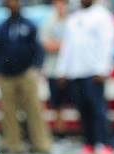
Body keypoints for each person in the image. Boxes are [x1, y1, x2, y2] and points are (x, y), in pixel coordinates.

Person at [56, 0, 114, 154]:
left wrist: (103, 68)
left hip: (94, 71)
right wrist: (62, 70)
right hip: (76, 71)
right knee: (82, 109)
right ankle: (89, 143)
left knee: (98, 109)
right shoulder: (74, 17)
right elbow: (67, 46)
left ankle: (105, 143)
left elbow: (108, 42)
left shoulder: (102, 16)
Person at [0, 0, 52, 154]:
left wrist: (36, 68)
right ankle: (13, 144)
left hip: (26, 73)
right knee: (8, 111)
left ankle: (41, 144)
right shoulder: (1, 28)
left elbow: (38, 49)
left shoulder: (29, 26)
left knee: (33, 109)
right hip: (6, 75)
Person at [40, 0, 69, 138]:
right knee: (57, 103)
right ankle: (60, 132)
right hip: (53, 69)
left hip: (71, 69)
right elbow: (47, 45)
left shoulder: (73, 20)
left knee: (75, 101)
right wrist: (67, 46)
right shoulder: (49, 22)